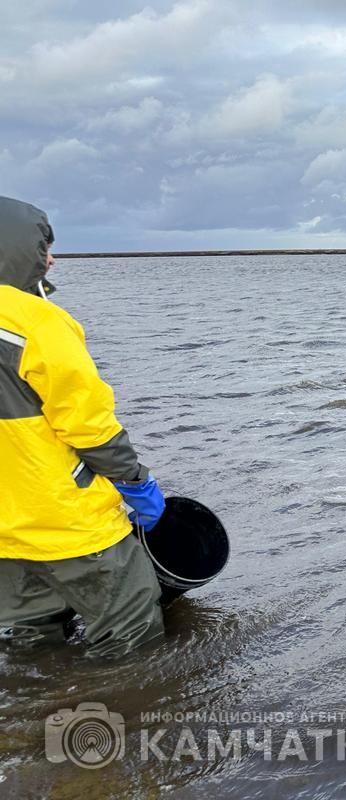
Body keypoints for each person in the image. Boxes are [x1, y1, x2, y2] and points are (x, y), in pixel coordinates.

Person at [0, 196, 166, 657]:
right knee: (131, 630)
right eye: (43, 247)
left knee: (29, 639)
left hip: (5, 533)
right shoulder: (36, 323)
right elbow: (87, 424)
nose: (51, 259)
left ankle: (33, 700)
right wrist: (135, 481)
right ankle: (128, 699)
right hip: (62, 519)